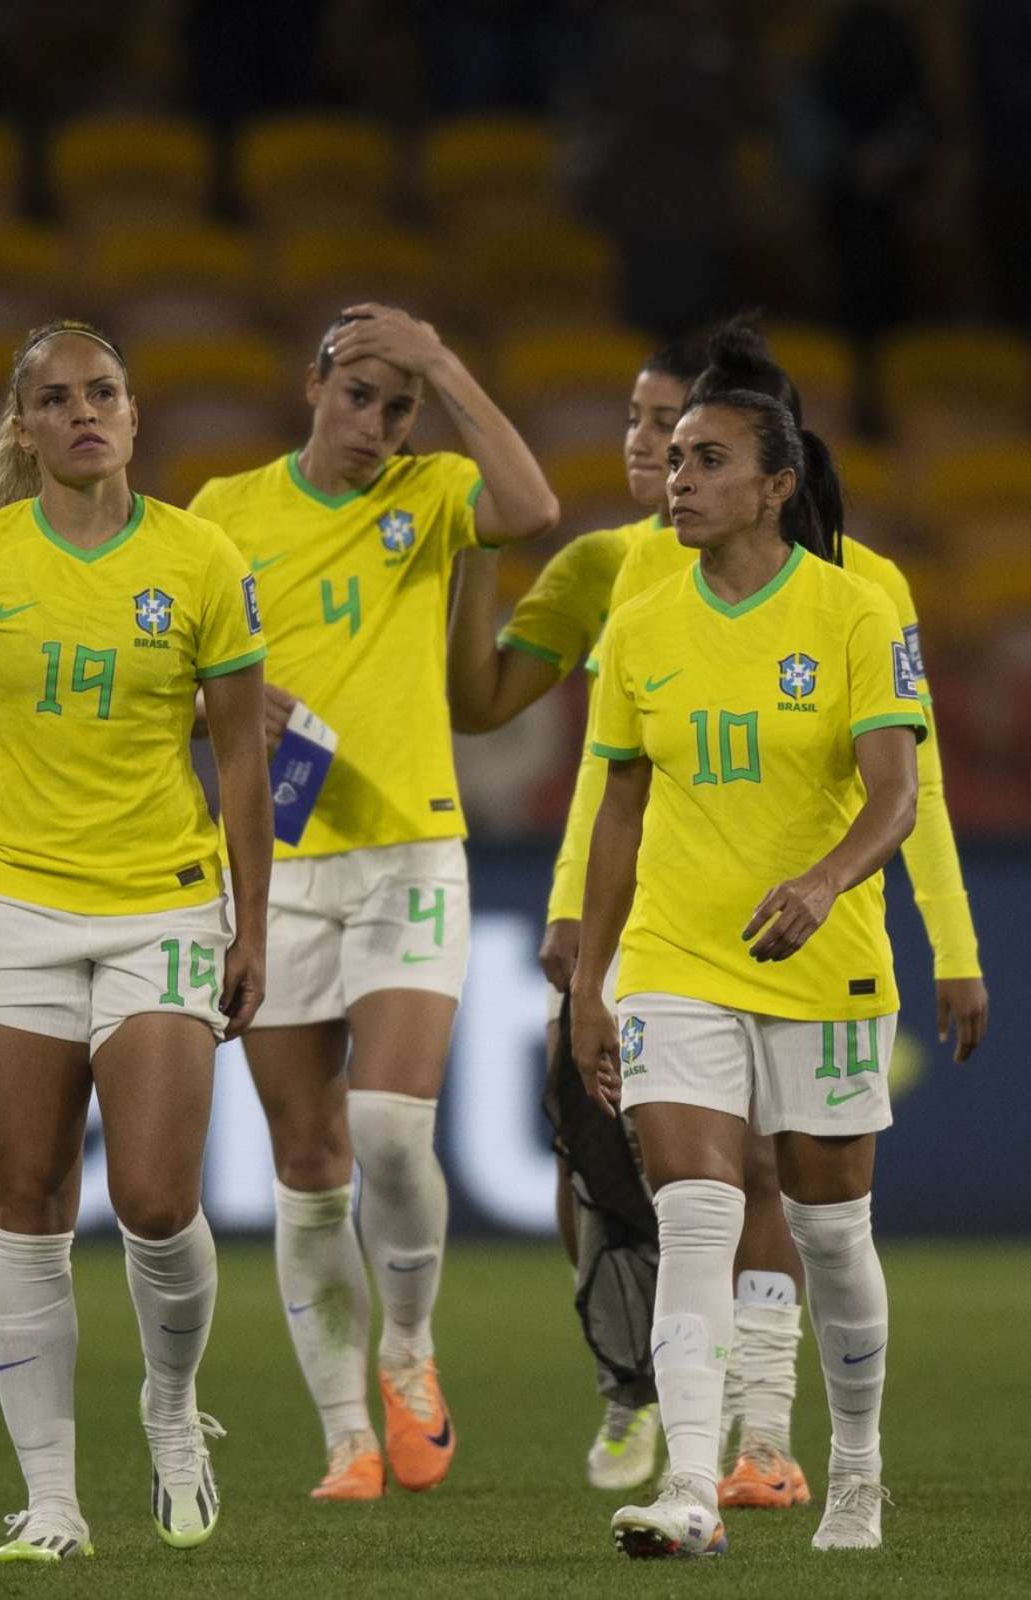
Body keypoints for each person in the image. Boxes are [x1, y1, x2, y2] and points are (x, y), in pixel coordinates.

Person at [0, 320, 272, 1563]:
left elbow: (241, 750)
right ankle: (54, 1502)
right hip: (15, 905)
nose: (85, 413)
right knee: (25, 1205)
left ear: (134, 416)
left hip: (166, 902)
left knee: (153, 1197)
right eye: (56, 398)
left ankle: (173, 1407)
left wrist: (256, 916)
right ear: (23, 430)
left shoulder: (200, 557)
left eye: (105, 392)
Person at [562, 324, 988, 1511]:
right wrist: (597, 981)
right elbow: (614, 813)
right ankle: (695, 1486)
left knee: (830, 1230)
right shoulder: (641, 623)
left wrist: (827, 884)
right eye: (673, 456)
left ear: (775, 484)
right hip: (678, 953)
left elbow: (904, 795)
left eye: (705, 460)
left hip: (823, 958)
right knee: (695, 1211)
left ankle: (852, 1466)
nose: (676, 478)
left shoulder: (856, 612)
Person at [190, 303, 558, 1500]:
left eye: (399, 405)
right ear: (313, 385)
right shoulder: (223, 512)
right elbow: (173, 681)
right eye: (361, 395)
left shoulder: (433, 493)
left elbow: (536, 509)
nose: (379, 424)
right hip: (277, 864)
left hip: (410, 850)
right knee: (307, 1159)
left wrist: (446, 358)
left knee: (393, 1127)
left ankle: (409, 1348)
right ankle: (346, 1434)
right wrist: (230, 709)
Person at [448, 330, 711, 1491]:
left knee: (738, 1171)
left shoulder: (822, 584)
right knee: (589, 1143)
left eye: (673, 421)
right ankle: (627, 1384)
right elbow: (484, 697)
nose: (647, 442)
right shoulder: (606, 563)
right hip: (611, 910)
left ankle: (748, 1415)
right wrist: (479, 558)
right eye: (636, 418)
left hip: (743, 917)